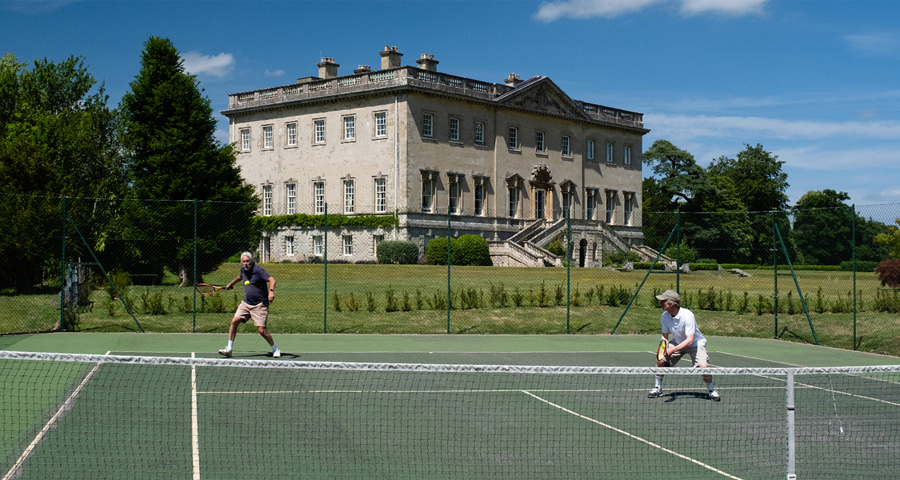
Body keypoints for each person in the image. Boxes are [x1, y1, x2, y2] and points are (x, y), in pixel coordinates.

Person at [648, 290, 720, 401]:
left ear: (671, 303)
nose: (661, 303)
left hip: (695, 343)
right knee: (660, 361)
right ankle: (657, 388)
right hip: (677, 342)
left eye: (663, 301)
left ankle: (711, 391)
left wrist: (672, 351)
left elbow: (690, 340)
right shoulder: (665, 316)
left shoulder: (687, 315)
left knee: (703, 367)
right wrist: (665, 349)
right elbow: (664, 337)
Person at [218, 252, 281, 358]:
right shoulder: (243, 269)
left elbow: (272, 279)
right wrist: (231, 284)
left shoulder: (258, 270)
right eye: (243, 261)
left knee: (262, 331)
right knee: (234, 321)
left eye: (247, 261)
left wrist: (271, 292)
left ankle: (276, 349)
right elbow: (240, 276)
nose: (246, 263)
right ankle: (229, 348)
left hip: (260, 304)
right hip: (247, 303)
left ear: (251, 261)